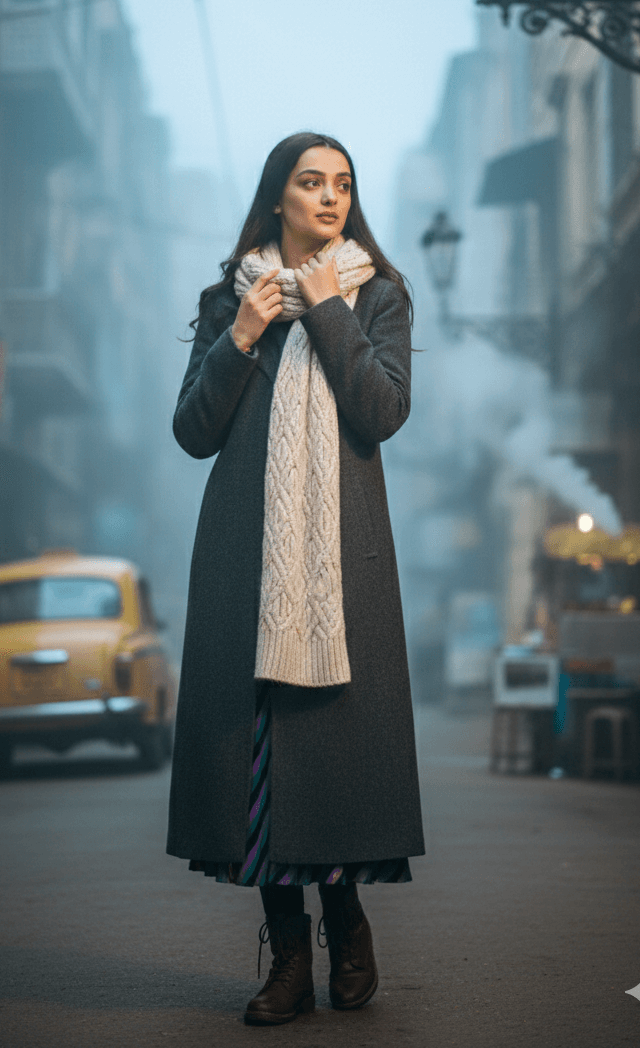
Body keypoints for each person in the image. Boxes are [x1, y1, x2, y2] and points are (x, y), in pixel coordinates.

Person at [167, 131, 424, 1026]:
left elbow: (382, 411)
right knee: (259, 764)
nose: (329, 197)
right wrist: (239, 335)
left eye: (343, 184)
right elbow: (195, 431)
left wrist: (327, 310)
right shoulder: (228, 299)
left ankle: (345, 921)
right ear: (276, 197)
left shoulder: (380, 296)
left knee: (327, 758)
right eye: (310, 183)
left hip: (339, 569)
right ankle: (288, 962)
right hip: (246, 560)